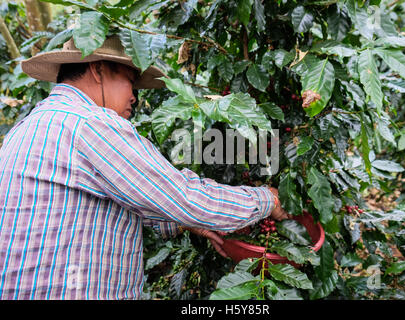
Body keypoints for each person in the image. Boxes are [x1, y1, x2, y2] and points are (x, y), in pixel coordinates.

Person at [0, 36, 290, 299]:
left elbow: (103, 204)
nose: (134, 97)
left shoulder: (31, 125)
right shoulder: (90, 124)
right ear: (98, 70)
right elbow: (184, 197)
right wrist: (267, 200)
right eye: (130, 80)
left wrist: (189, 222)